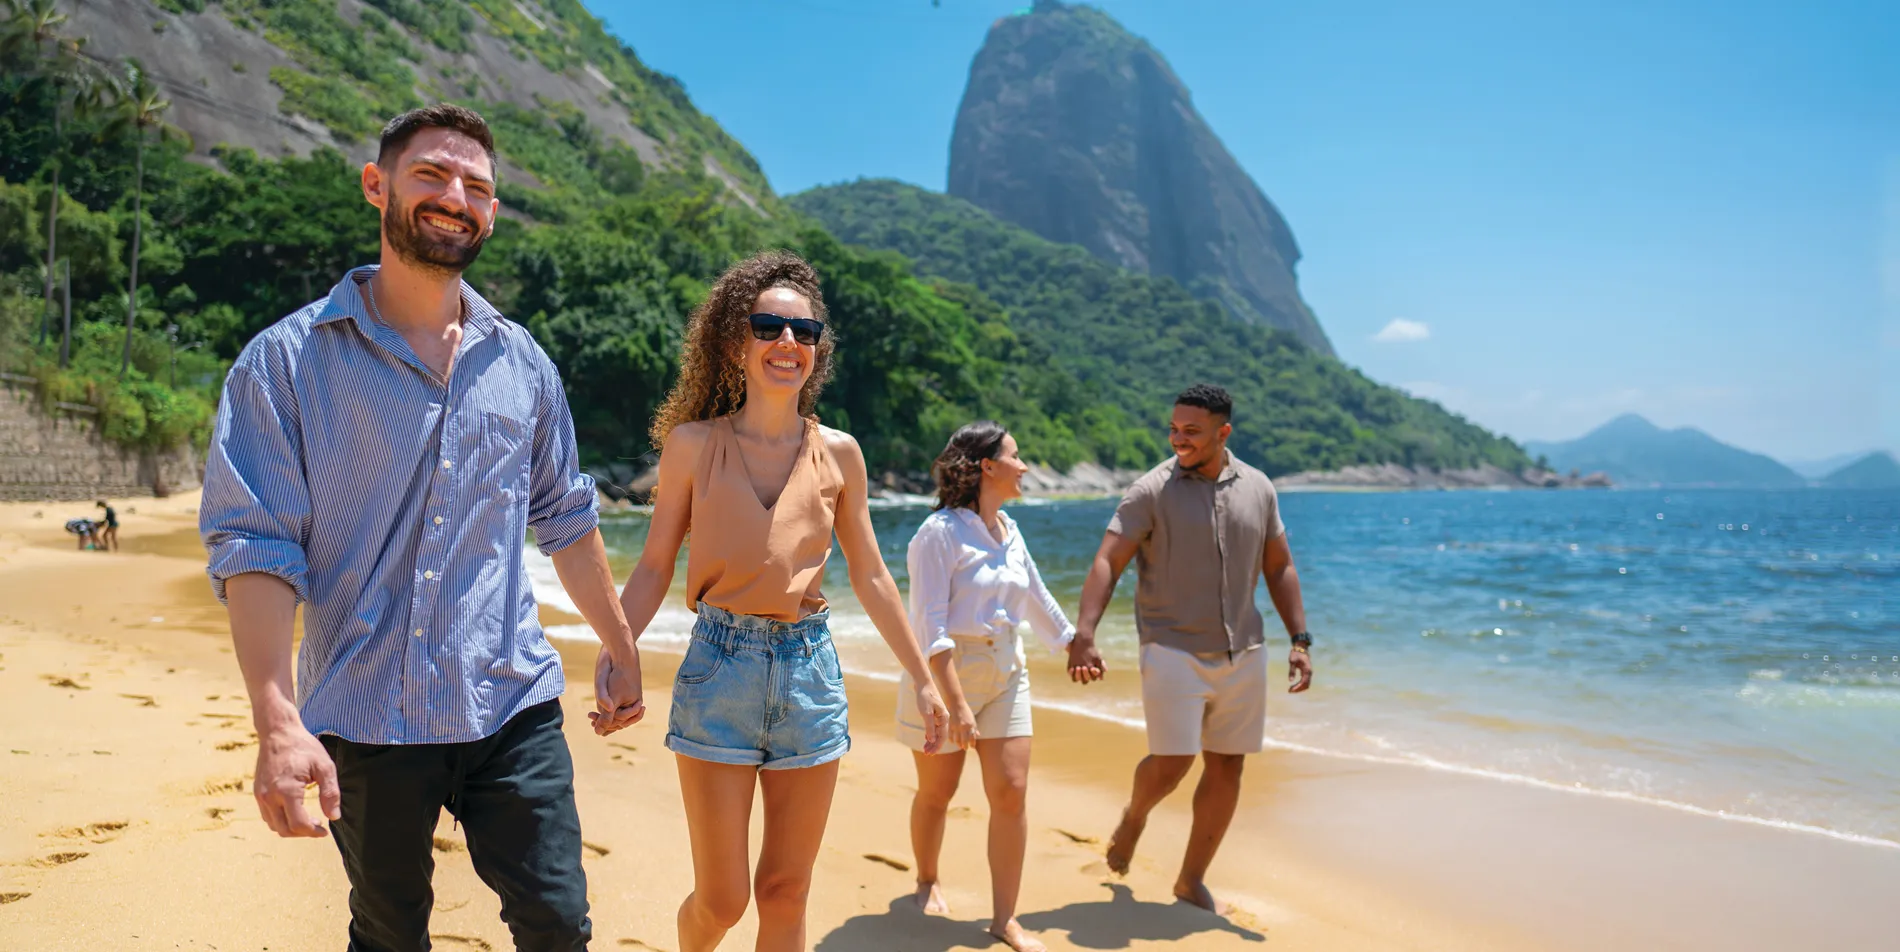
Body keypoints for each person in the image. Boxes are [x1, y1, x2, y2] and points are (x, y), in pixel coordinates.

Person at [199, 104, 645, 951]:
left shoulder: (523, 365)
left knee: (558, 922)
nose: (455, 196)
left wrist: (617, 643)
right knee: (390, 930)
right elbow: (257, 546)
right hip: (367, 712)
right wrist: (277, 721)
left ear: (492, 213)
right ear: (378, 186)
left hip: (510, 698)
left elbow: (565, 515)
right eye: (432, 175)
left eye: (475, 185)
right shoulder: (286, 362)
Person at [618, 250, 949, 952]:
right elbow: (652, 568)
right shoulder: (691, 446)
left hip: (810, 675)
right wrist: (619, 651)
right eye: (768, 328)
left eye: (803, 333)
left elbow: (874, 577)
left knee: (786, 893)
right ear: (737, 345)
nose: (787, 344)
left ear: (818, 350)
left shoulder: (842, 453)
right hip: (718, 670)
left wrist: (923, 678)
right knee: (724, 900)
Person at [1066, 383, 1314, 915]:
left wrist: (1300, 639)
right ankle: (1135, 815)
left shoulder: (1260, 488)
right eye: (1174, 429)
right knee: (1174, 762)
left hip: (1244, 650)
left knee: (1228, 767)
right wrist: (1084, 633)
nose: (1179, 439)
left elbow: (1280, 566)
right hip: (1171, 647)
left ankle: (1190, 879)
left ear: (1224, 433)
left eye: (1192, 431)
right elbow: (1108, 560)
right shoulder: (1150, 491)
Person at [900, 422, 1073, 952]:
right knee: (938, 791)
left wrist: (1073, 642)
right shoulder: (938, 535)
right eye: (1016, 457)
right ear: (986, 467)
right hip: (943, 676)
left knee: (1011, 792)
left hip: (1006, 673)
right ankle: (927, 880)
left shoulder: (1010, 530)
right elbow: (930, 628)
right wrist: (955, 704)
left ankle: (1005, 919)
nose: (1025, 466)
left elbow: (1037, 599)